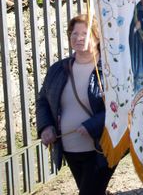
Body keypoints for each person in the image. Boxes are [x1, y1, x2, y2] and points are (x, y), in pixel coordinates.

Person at [36, 15, 116, 195]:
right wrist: (46, 126)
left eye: (85, 33)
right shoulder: (58, 69)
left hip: (100, 149)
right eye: (74, 33)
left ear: (97, 38)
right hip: (70, 148)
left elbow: (121, 107)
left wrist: (92, 125)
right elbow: (43, 101)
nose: (78, 37)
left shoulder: (110, 70)